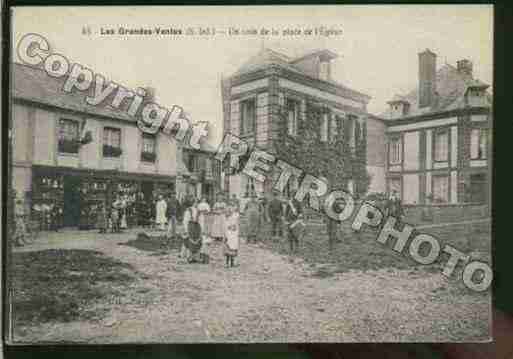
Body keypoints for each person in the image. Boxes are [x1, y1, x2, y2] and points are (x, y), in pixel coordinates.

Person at [180, 198, 203, 263]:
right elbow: (185, 220)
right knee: (189, 241)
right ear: (192, 203)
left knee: (197, 241)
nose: (196, 204)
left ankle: (196, 257)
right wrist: (185, 229)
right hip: (190, 226)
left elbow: (201, 220)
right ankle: (189, 257)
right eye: (195, 202)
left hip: (197, 227)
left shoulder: (198, 211)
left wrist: (201, 228)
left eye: (197, 203)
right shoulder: (189, 210)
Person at [224, 202, 240, 268]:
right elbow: (226, 225)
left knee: (234, 246)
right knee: (228, 246)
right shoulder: (228, 216)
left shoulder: (237, 215)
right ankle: (227, 263)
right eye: (232, 207)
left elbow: (237, 224)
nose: (233, 208)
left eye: (235, 207)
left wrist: (236, 229)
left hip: (234, 233)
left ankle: (232, 262)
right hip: (229, 232)